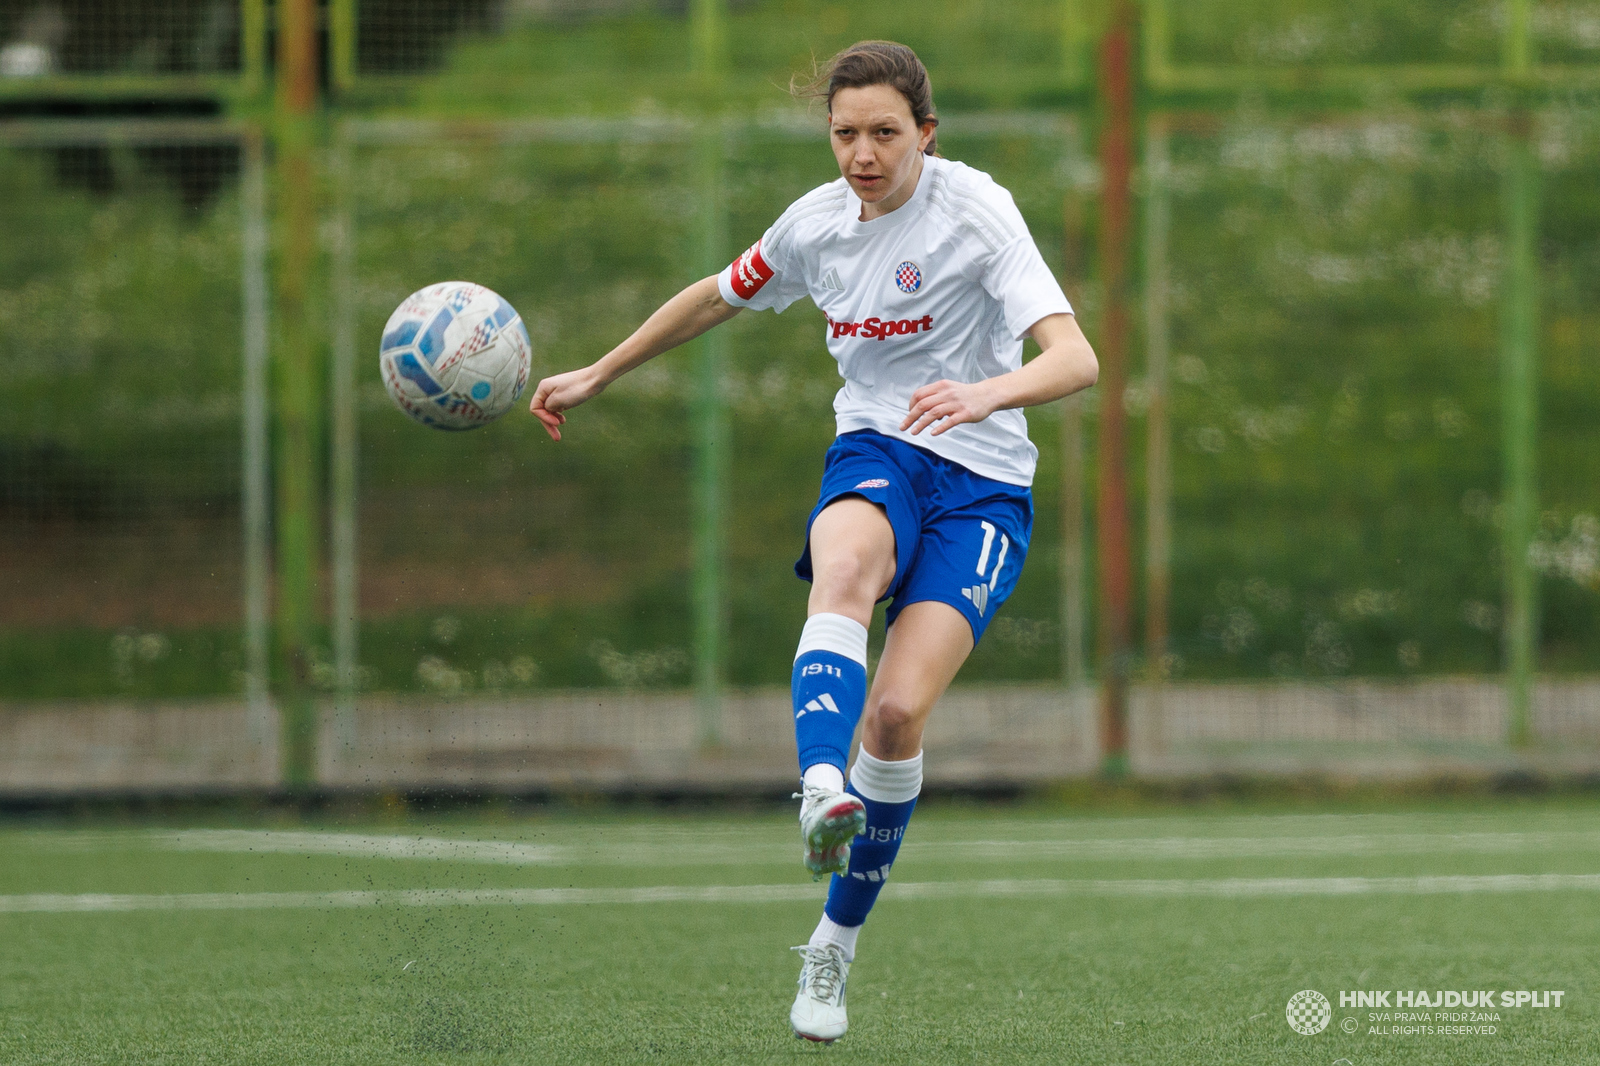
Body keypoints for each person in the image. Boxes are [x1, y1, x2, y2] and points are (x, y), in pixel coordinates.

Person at [528, 39, 1098, 1045]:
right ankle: (819, 788)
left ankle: (832, 942)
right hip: (875, 447)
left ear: (926, 132)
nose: (863, 153)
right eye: (845, 133)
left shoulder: (976, 212)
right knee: (841, 568)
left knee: (894, 715)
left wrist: (984, 390)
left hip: (983, 485)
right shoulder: (815, 226)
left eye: (885, 132)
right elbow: (714, 294)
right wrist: (597, 372)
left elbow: (1075, 358)